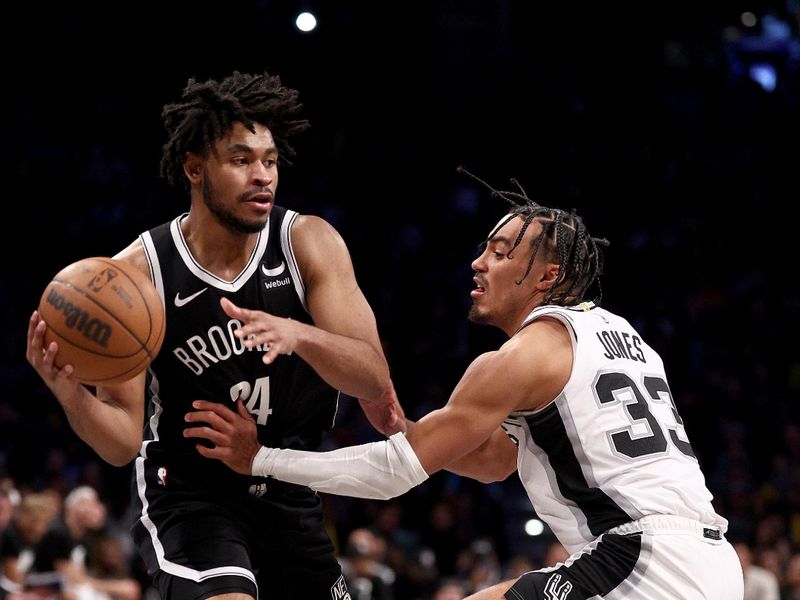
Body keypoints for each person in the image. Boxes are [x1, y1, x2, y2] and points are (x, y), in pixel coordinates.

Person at [185, 170, 744, 599]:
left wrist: (261, 459)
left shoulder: (521, 355)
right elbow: (497, 460)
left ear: (548, 278)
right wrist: (413, 429)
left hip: (642, 560)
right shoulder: (625, 337)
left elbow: (391, 476)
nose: (479, 263)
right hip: (711, 562)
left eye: (501, 254)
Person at [26, 71, 399, 599]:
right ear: (195, 168)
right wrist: (70, 393)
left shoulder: (308, 243)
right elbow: (120, 443)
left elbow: (371, 375)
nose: (263, 176)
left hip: (289, 488)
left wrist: (299, 334)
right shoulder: (139, 274)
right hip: (189, 496)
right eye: (241, 160)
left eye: (270, 160)